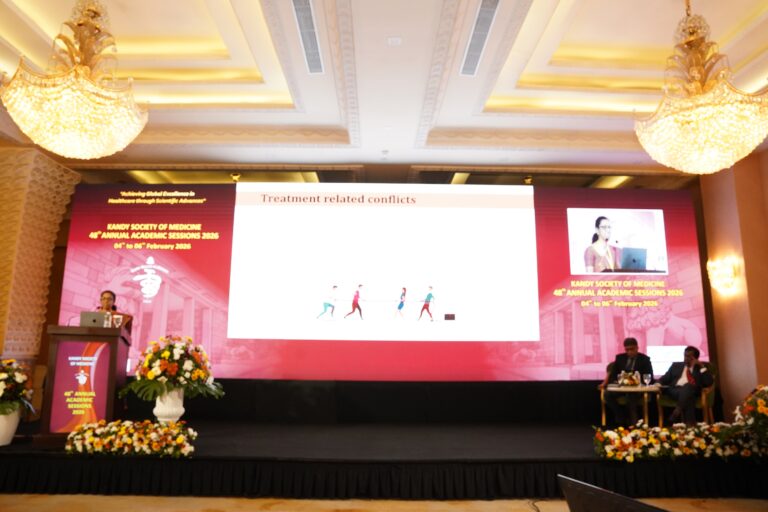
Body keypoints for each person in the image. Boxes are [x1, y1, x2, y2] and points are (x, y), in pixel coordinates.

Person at [599, 337, 653, 426]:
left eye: (632, 349)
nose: (629, 352)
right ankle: (620, 414)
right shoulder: (620, 358)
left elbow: (649, 376)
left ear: (637, 348)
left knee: (631, 397)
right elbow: (613, 375)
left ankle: (633, 424)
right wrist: (620, 381)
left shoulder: (645, 359)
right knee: (607, 394)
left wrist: (635, 381)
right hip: (622, 387)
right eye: (627, 350)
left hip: (637, 389)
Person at [658, 346, 713, 426]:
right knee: (688, 394)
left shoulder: (700, 368)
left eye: (689, 356)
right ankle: (689, 425)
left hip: (692, 391)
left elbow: (709, 382)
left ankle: (677, 414)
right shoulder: (676, 365)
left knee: (688, 389)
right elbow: (664, 378)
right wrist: (657, 384)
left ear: (695, 358)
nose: (686, 358)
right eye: (685, 355)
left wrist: (701, 366)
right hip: (675, 390)